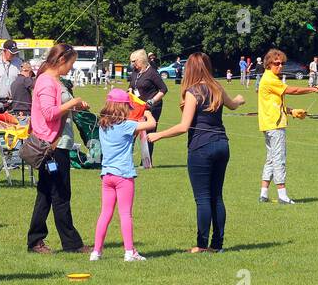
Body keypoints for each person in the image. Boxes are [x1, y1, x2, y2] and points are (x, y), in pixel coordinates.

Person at [151, 52, 247, 252]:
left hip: (201, 148)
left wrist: (157, 135)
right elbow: (233, 104)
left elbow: (183, 126)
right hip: (222, 145)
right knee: (217, 197)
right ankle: (217, 245)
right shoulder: (217, 88)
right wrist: (239, 99)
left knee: (202, 198)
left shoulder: (193, 92)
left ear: (190, 69)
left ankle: (202, 245)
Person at [27, 42, 92, 255]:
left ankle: (36, 240)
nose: (71, 68)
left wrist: (75, 105)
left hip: (57, 144)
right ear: (62, 60)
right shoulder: (47, 82)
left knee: (46, 193)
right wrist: (73, 102)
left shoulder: (53, 80)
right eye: (70, 63)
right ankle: (71, 242)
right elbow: (48, 113)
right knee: (60, 194)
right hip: (53, 147)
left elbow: (58, 108)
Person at [90, 88, 155, 261]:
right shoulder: (127, 125)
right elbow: (151, 125)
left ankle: (96, 252)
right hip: (124, 176)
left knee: (105, 213)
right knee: (125, 214)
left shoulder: (102, 124)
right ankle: (129, 252)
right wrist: (147, 113)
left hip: (107, 175)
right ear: (124, 107)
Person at [258, 48, 318, 205]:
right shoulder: (270, 79)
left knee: (270, 159)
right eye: (277, 63)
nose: (280, 66)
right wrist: (314, 89)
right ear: (269, 64)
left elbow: (275, 104)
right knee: (279, 158)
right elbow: (292, 90)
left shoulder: (269, 78)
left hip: (269, 124)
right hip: (274, 126)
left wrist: (292, 111)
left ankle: (263, 194)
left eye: (282, 63)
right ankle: (282, 196)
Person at [128, 48, 168, 165]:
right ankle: (127, 160)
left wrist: (152, 101)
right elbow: (131, 86)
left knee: (148, 134)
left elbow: (164, 89)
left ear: (141, 60)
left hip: (151, 108)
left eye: (134, 61)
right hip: (137, 106)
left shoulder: (152, 73)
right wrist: (129, 94)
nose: (132, 64)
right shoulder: (136, 72)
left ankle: (145, 162)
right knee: (132, 132)